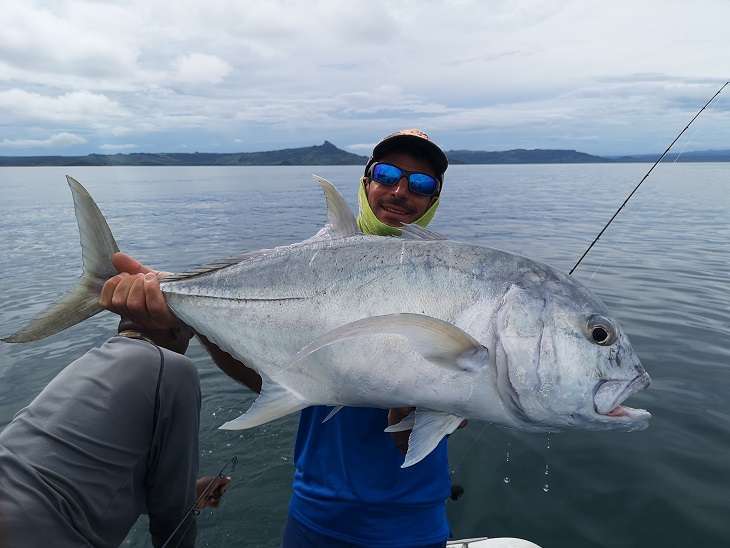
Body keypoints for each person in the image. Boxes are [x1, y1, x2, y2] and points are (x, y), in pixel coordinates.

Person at [100, 129, 454, 547]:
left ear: (433, 201)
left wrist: (427, 407)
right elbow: (260, 380)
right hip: (316, 510)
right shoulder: (305, 263)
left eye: (420, 184)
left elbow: (450, 407)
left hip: (414, 517)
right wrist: (204, 323)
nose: (400, 191)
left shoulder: (453, 279)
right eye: (388, 174)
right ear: (366, 183)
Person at [0, 325, 230, 548]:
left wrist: (190, 493)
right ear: (177, 330)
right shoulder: (174, 368)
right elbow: (173, 513)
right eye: (190, 331)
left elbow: (80, 473)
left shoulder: (87, 362)